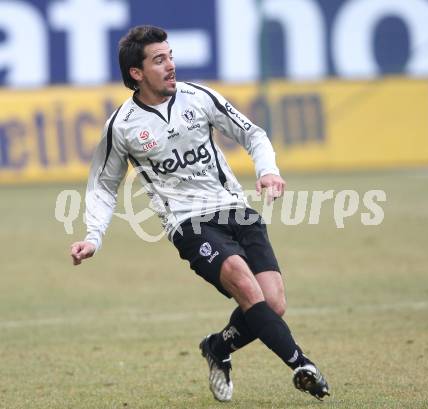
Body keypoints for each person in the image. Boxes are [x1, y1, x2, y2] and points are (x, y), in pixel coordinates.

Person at [70, 25, 330, 402]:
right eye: (159, 60)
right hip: (188, 223)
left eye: (171, 56)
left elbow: (252, 135)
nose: (171, 65)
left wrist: (267, 170)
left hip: (235, 210)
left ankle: (217, 347)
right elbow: (103, 185)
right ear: (136, 73)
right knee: (243, 281)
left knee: (272, 304)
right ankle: (301, 364)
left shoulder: (198, 97)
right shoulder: (122, 126)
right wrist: (93, 237)